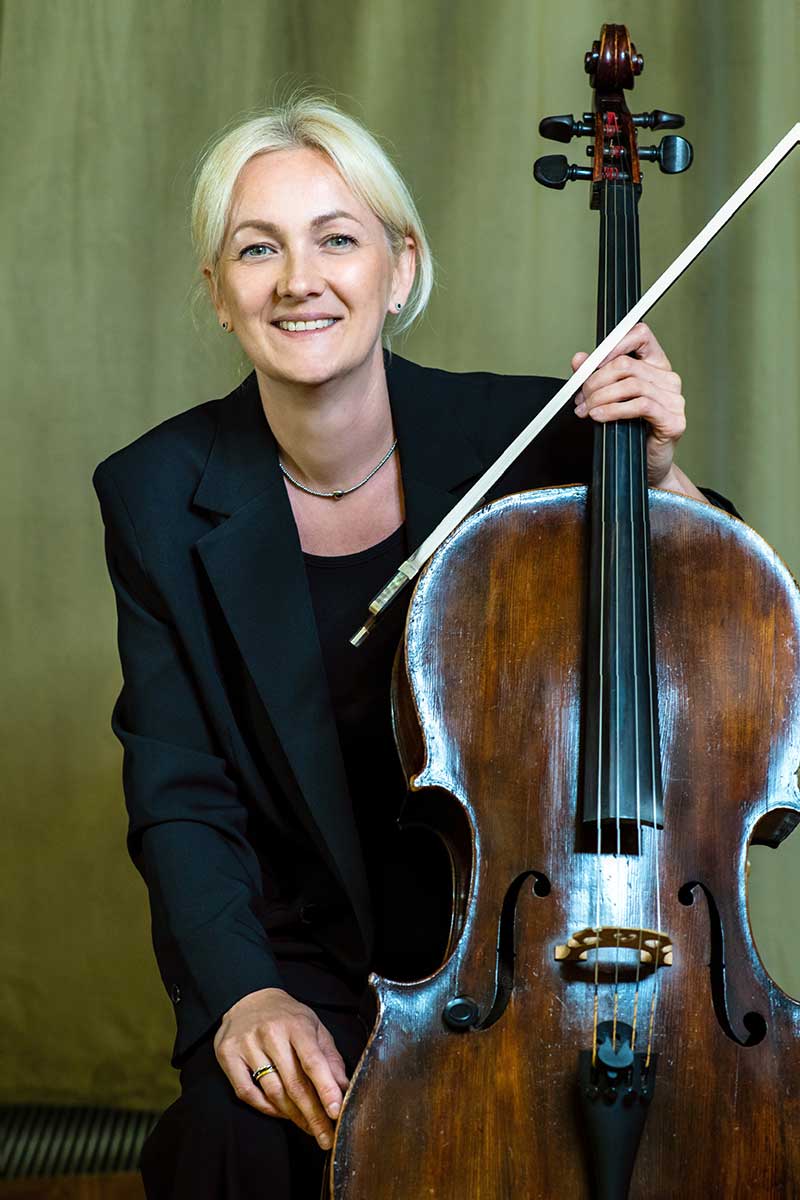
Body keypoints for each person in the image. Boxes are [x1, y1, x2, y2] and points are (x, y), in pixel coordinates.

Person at [93, 95, 734, 1199]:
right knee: (233, 1143)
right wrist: (245, 993)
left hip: (556, 956)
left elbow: (734, 650)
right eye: (258, 249)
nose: (299, 280)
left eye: (337, 239)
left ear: (400, 268)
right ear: (219, 291)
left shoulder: (544, 441)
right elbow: (179, 788)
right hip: (316, 965)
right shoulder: (154, 492)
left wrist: (664, 479)